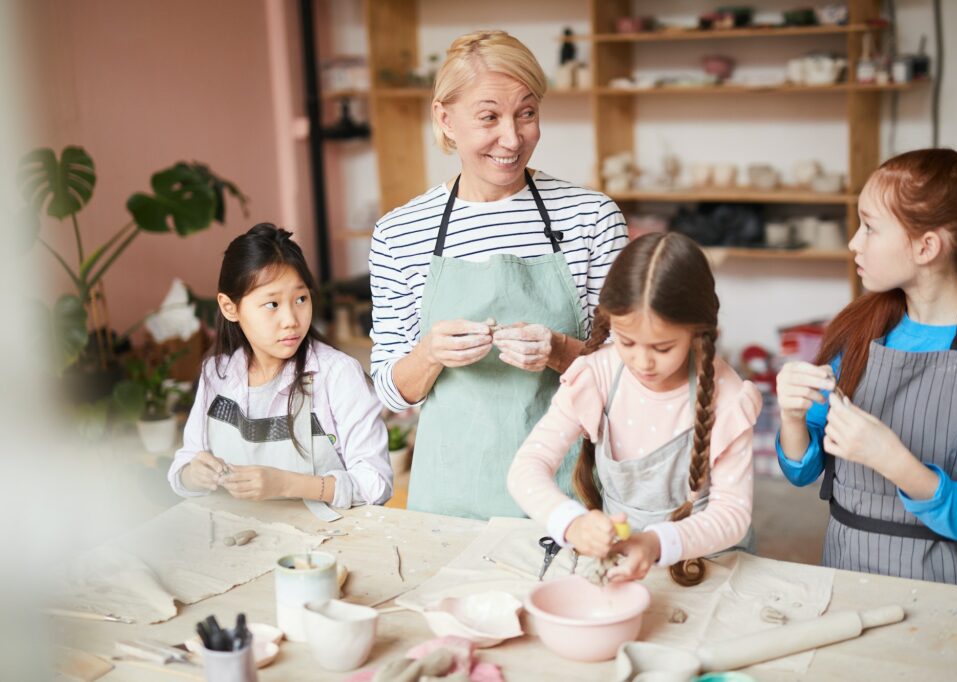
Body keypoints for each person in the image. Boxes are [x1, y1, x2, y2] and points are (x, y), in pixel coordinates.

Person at [369, 30, 628, 519]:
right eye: (489, 116)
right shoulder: (400, 233)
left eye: (526, 113)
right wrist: (429, 354)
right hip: (451, 495)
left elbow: (630, 371)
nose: (512, 138)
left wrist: (559, 351)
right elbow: (389, 386)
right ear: (445, 119)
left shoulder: (590, 218)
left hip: (571, 494)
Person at [775, 145, 957, 586]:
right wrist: (792, 418)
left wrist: (893, 460)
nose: (854, 242)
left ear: (926, 246)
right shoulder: (860, 326)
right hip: (842, 568)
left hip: (940, 587)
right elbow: (802, 471)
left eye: (869, 227)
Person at [508, 233, 761, 584]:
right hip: (621, 562)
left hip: (709, 568)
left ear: (697, 332)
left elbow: (732, 514)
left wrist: (656, 543)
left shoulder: (728, 396)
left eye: (662, 347)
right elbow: (526, 468)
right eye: (626, 341)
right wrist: (572, 522)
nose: (642, 362)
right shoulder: (596, 373)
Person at [168, 224, 392, 514]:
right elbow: (183, 465)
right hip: (239, 540)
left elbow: (376, 484)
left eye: (300, 299)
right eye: (272, 304)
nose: (291, 319)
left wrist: (286, 484)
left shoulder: (337, 374)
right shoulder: (217, 374)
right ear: (229, 307)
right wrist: (193, 473)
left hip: (323, 549)